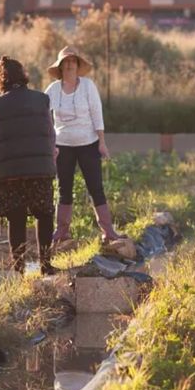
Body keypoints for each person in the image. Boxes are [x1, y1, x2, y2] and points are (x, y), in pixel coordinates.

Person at [0, 56, 57, 275]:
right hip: (40, 170)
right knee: (44, 214)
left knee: (17, 218)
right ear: (23, 76)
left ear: (0, 79)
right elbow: (51, 135)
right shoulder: (42, 100)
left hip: (8, 175)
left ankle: (19, 269)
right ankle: (46, 265)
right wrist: (49, 161)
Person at [45, 46, 124, 244]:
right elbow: (43, 116)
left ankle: (108, 231)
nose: (70, 64)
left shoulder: (88, 86)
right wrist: (50, 143)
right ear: (61, 66)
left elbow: (97, 114)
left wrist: (102, 143)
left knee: (95, 187)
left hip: (88, 143)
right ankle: (62, 231)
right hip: (62, 146)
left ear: (78, 65)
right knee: (64, 188)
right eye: (67, 62)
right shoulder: (53, 90)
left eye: (73, 61)